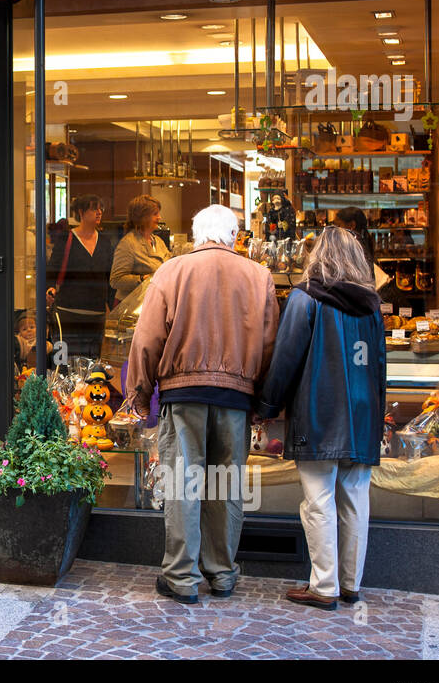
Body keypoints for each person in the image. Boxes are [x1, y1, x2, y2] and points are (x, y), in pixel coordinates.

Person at [125, 204, 280, 604]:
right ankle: (223, 573)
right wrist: (262, 400)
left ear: (196, 234)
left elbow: (146, 340)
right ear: (233, 235)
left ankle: (181, 577)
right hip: (236, 397)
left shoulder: (171, 271)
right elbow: (269, 345)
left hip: (183, 392)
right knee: (226, 487)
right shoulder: (259, 276)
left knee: (183, 484)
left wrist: (140, 394)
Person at [255, 226, 386, 611]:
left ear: (318, 256)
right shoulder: (372, 306)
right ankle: (350, 584)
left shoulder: (305, 298)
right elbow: (379, 366)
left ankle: (323, 586)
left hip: (318, 412)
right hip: (363, 415)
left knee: (318, 500)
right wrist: (378, 418)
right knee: (356, 500)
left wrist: (266, 406)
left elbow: (285, 359)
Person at [45, 195, 115, 361]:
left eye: (101, 209)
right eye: (94, 208)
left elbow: (110, 277)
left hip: (96, 314)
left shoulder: (105, 242)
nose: (99, 212)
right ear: (81, 213)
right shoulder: (67, 238)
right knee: (63, 361)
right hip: (68, 312)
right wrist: (49, 288)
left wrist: (113, 307)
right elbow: (52, 269)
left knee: (92, 363)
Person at [110, 195, 170, 302]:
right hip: (131, 307)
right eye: (155, 214)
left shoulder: (158, 241)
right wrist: (143, 279)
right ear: (143, 217)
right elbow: (116, 280)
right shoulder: (128, 244)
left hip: (154, 302)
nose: (159, 217)